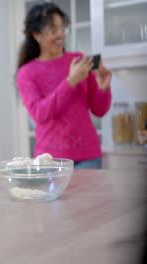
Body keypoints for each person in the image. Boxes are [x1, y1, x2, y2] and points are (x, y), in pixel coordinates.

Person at [16, 3, 112, 169]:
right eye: (53, 30)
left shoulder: (78, 60)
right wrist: (70, 82)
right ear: (36, 35)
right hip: (50, 161)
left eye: (63, 28)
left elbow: (99, 110)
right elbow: (39, 113)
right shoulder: (26, 73)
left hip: (88, 156)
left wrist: (103, 89)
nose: (60, 34)